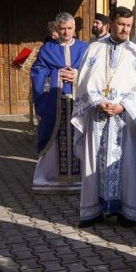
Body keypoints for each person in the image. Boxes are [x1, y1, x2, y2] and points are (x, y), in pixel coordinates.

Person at [73, 7, 136, 226]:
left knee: (125, 165)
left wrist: (123, 106)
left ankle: (127, 212)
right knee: (94, 163)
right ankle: (92, 212)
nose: (125, 29)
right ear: (112, 24)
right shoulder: (94, 49)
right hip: (96, 117)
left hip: (124, 120)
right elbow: (82, 85)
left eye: (129, 25)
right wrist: (97, 102)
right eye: (121, 24)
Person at [30, 12, 89, 193]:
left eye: (69, 28)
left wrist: (77, 75)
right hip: (55, 104)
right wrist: (57, 75)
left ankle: (83, 180)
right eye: (62, 28)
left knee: (80, 138)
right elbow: (37, 72)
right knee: (54, 141)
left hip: (79, 103)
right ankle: (49, 180)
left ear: (75, 29)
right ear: (57, 29)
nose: (66, 32)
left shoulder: (84, 48)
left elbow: (92, 72)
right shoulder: (47, 49)